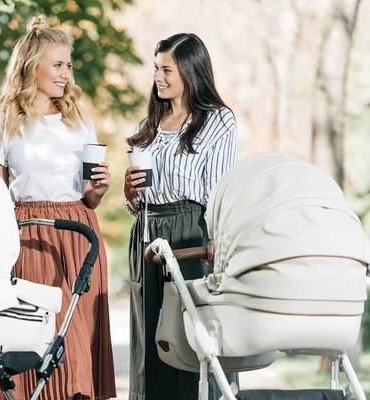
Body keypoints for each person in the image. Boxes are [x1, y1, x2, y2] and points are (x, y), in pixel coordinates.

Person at [0, 15, 117, 400]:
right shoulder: (3, 124)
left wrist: (99, 190)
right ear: (32, 67)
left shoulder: (78, 121)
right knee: (36, 344)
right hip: (28, 237)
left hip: (79, 234)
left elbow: (89, 194)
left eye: (68, 65)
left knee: (75, 349)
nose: (65, 74)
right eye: (58, 65)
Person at [123, 33, 239, 400]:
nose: (158, 77)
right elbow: (140, 199)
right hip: (146, 235)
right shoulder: (151, 124)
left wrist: (216, 240)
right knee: (151, 341)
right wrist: (130, 195)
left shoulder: (217, 121)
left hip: (191, 234)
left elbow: (219, 191)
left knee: (192, 336)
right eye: (156, 69)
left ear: (190, 71)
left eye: (166, 69)